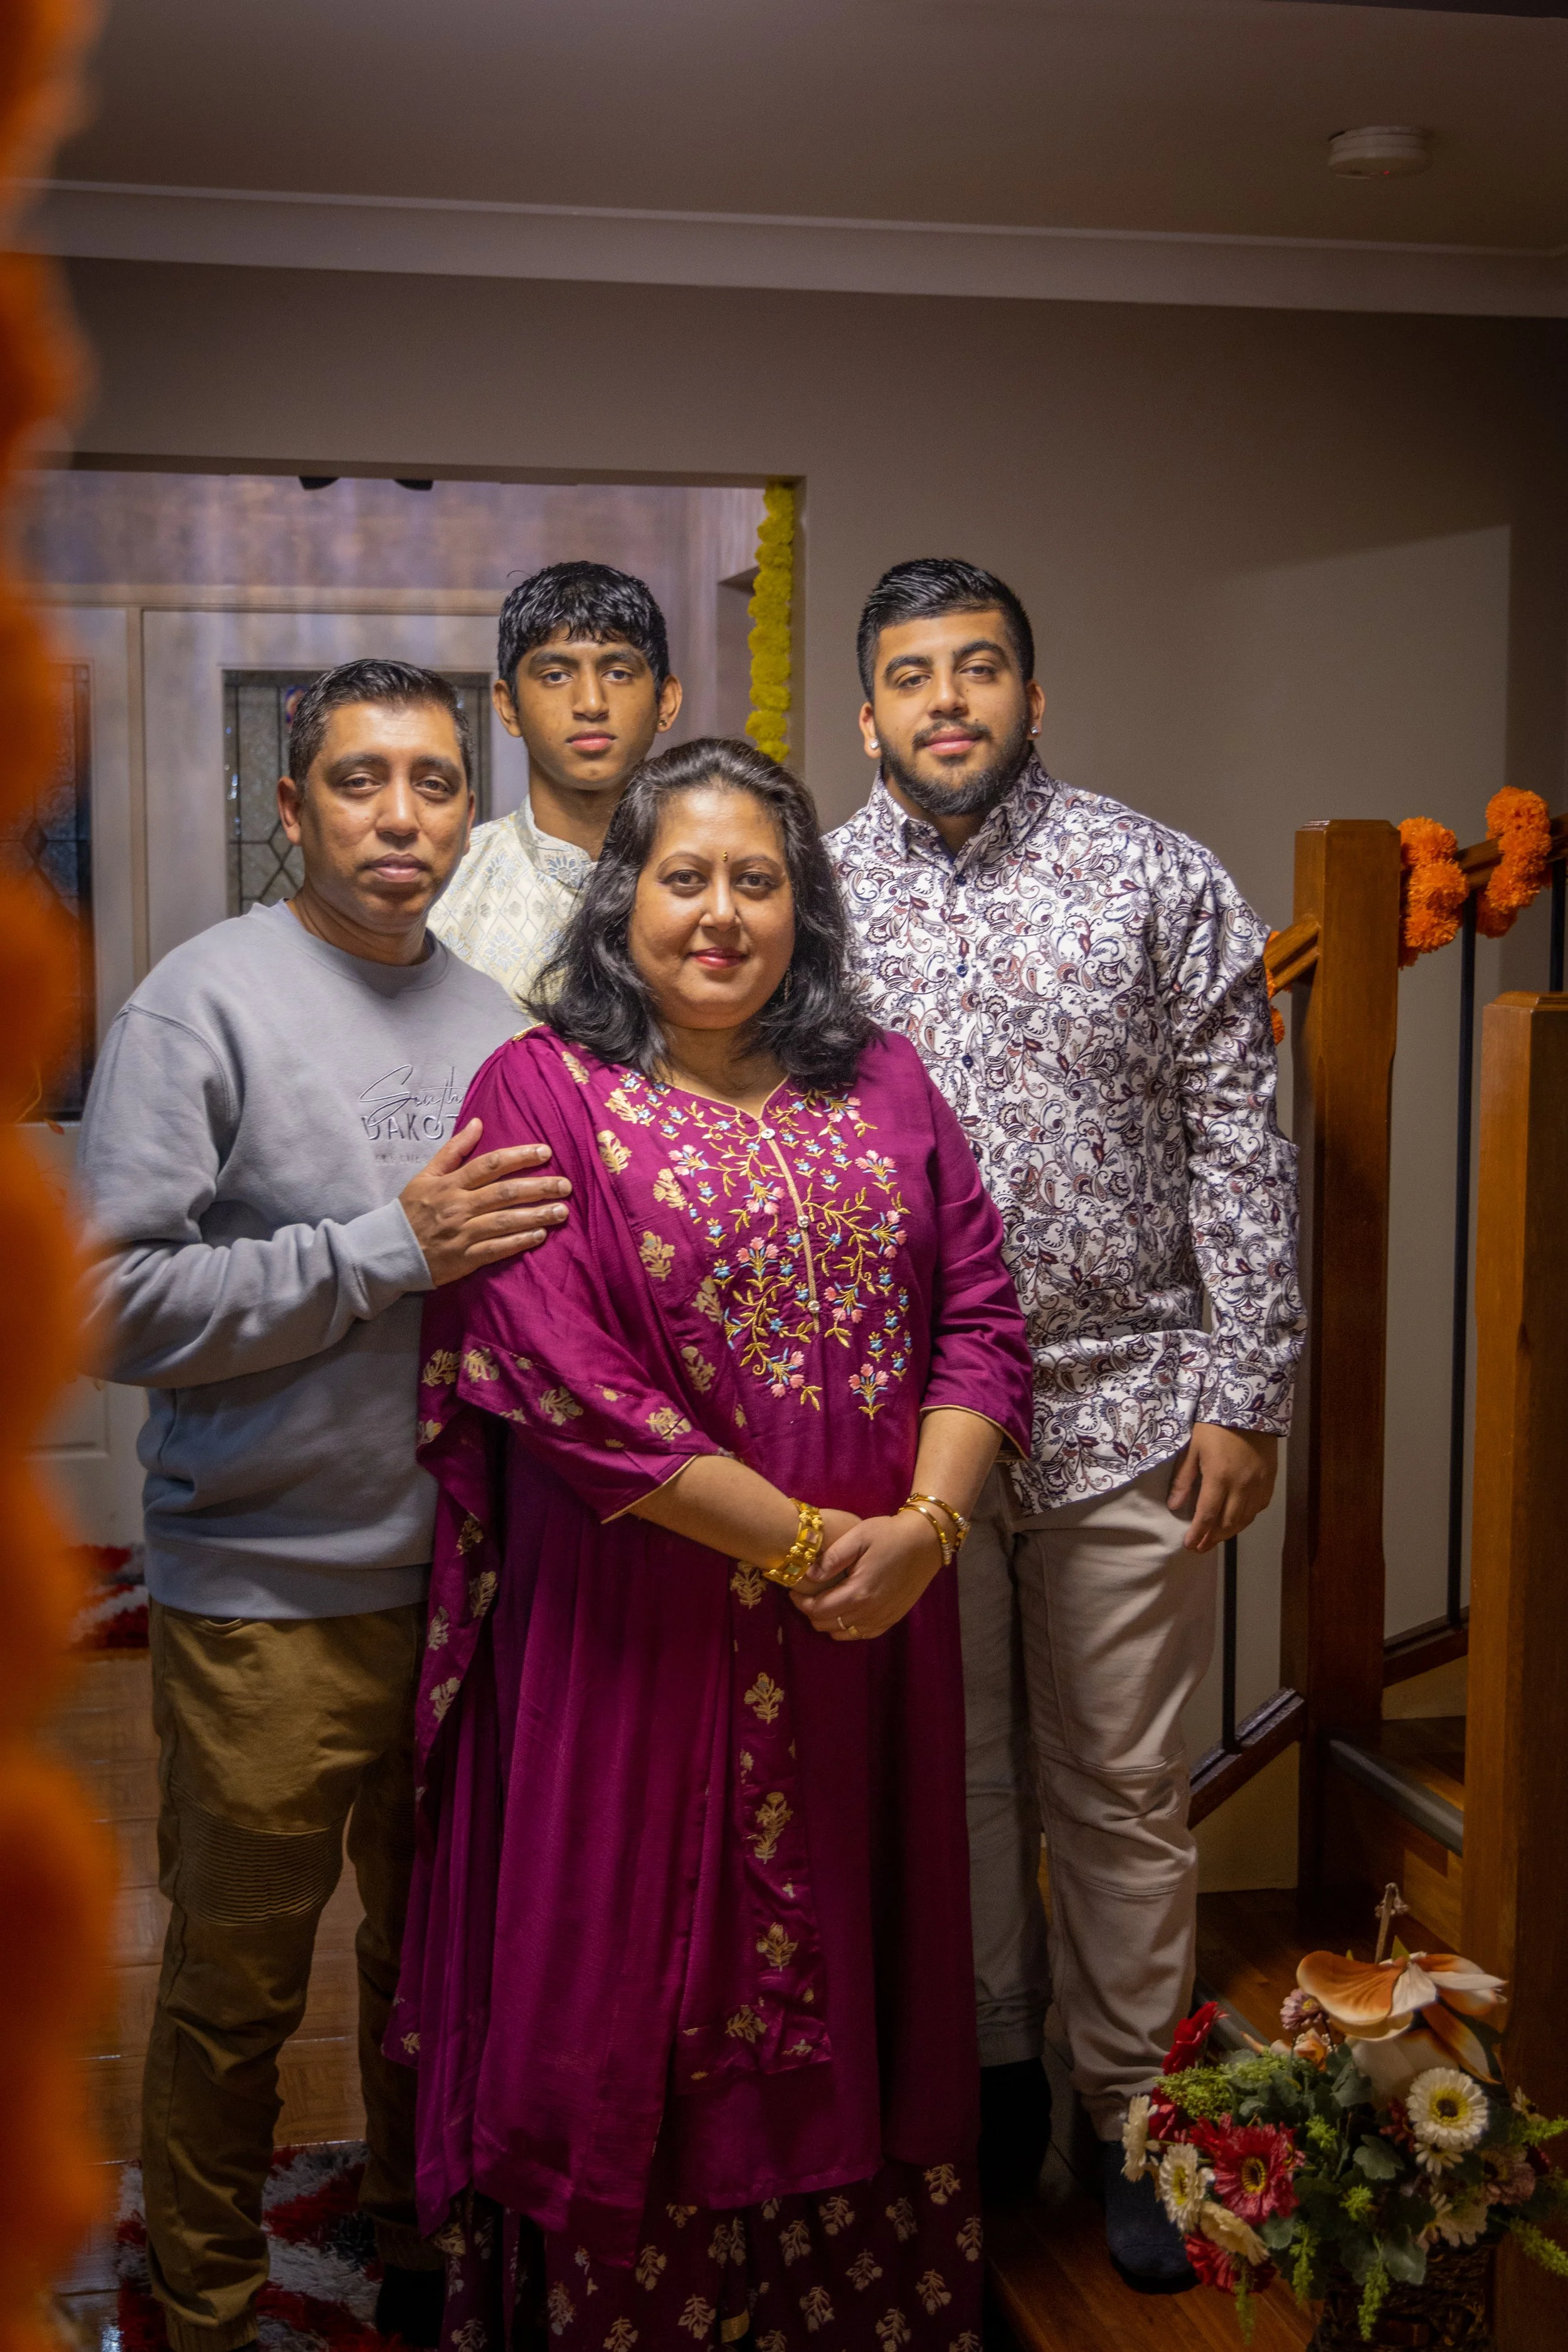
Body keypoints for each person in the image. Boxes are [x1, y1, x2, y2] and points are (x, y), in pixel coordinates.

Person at [389, 738, 1036, 2352]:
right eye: (686, 876)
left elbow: (979, 1314)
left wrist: (927, 1531)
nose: (722, 913)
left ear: (802, 907)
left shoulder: (882, 1079)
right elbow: (560, 1378)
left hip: (862, 1646)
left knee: (851, 1957)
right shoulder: (537, 1088)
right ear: (627, 902)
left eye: (758, 879)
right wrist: (827, 1536)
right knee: (631, 1977)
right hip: (636, 1638)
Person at [77, 659, 577, 2352]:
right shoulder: (197, 1003)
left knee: (434, 1966)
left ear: (466, 805)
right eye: (359, 780)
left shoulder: (506, 1029)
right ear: (290, 807)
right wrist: (386, 1249)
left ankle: (410, 2230)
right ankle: (208, 2299)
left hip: (465, 1591)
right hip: (263, 1595)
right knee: (236, 1984)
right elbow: (109, 1305)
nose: (400, 814)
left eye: (434, 781)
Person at [827, 561, 1306, 2292]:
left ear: (1037, 696)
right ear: (864, 713)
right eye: (909, 675)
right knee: (948, 1780)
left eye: (977, 669)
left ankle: (1131, 2116)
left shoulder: (1158, 875)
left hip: (1129, 1409)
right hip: (900, 1433)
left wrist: (1245, 1390)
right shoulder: (807, 893)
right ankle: (989, 2077)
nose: (945, 699)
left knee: (1115, 1785)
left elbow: (1241, 1140)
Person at [429, 560, 682, 1001]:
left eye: (618, 673)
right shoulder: (444, 890)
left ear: (666, 700)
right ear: (509, 706)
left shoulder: (716, 889)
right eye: (556, 675)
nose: (590, 702)